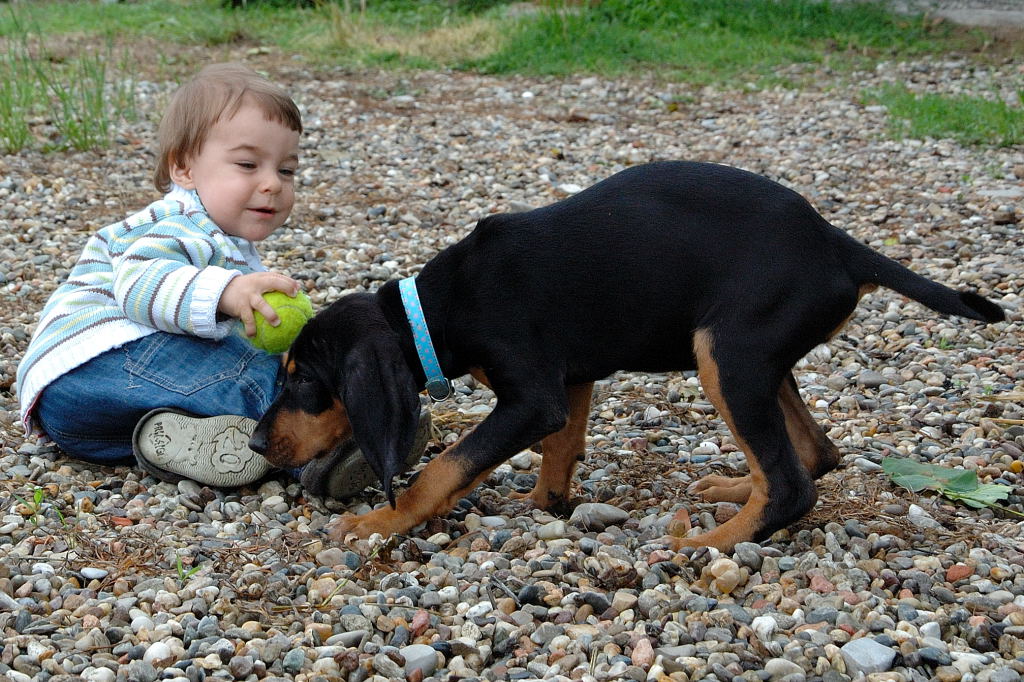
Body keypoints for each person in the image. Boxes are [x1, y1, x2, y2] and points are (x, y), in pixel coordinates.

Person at [15, 62, 427, 495]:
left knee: (213, 386)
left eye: (286, 170)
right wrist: (227, 292)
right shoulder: (175, 222)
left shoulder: (223, 239)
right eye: (248, 164)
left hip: (86, 429)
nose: (271, 183)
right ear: (184, 169)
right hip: (92, 364)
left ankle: (183, 441)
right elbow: (140, 285)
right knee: (254, 376)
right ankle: (342, 443)